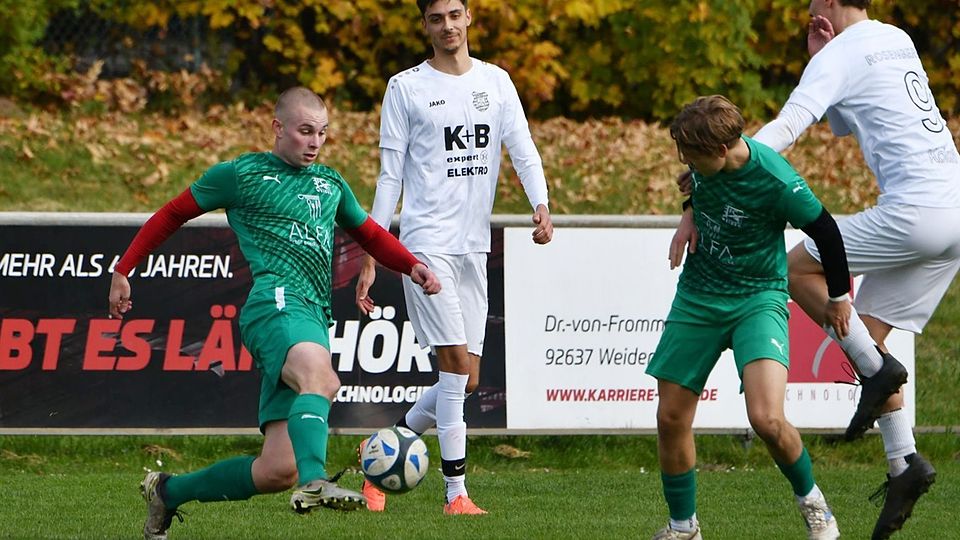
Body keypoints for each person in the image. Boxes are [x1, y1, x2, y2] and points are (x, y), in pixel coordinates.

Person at [108, 86, 441, 540]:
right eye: (305, 131)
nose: (315, 142)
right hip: (275, 303)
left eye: (322, 133)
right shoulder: (241, 174)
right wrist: (124, 268)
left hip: (311, 314)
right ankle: (314, 482)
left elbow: (370, 234)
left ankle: (168, 492)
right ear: (277, 128)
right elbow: (172, 213)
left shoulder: (330, 184)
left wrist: (413, 265)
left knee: (274, 470)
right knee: (321, 381)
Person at [705, 1, 952, 537]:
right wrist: (820, 55)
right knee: (870, 340)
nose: (809, 9)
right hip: (953, 210)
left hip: (916, 212)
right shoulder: (896, 37)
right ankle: (904, 464)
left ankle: (879, 373)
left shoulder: (844, 51)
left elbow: (790, 125)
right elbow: (843, 119)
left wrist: (725, 164)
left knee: (796, 271)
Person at [353, 0, 553, 515]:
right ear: (426, 25)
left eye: (455, 14)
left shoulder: (497, 82)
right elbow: (390, 176)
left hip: (473, 245)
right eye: (436, 18)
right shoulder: (405, 88)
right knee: (454, 365)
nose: (447, 25)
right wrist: (375, 249)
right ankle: (456, 493)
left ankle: (378, 453)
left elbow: (523, 148)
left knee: (468, 377)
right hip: (425, 246)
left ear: (469, 19)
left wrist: (541, 203)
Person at [650, 95, 848, 540]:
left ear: (721, 150)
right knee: (670, 417)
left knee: (767, 419)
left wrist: (838, 297)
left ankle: (816, 508)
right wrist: (688, 216)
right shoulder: (708, 167)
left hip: (758, 298)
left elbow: (826, 231)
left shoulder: (777, 180)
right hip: (699, 296)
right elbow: (700, 187)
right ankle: (684, 527)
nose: (685, 163)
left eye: (692, 156)